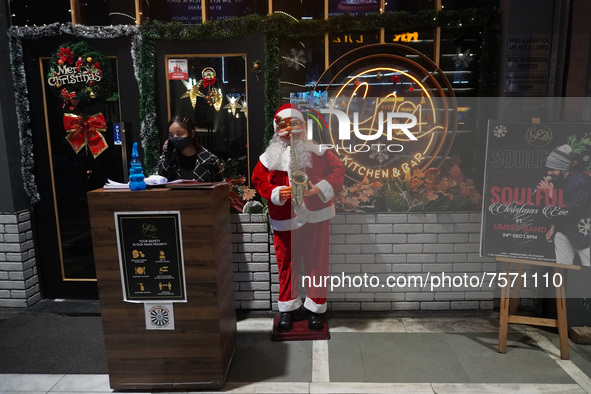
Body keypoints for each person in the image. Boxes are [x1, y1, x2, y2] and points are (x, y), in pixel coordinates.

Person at [251, 104, 345, 332]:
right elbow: (259, 180)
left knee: (318, 263)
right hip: (285, 216)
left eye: (295, 124)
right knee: (286, 264)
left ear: (304, 127)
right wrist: (275, 192)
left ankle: (315, 309)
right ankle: (289, 309)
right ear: (276, 129)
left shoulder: (319, 152)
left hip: (317, 214)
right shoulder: (268, 158)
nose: (290, 129)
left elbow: (338, 170)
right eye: (284, 125)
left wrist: (319, 188)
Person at [538, 144, 591, 267]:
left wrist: (550, 193)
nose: (549, 173)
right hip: (563, 231)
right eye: (549, 169)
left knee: (588, 267)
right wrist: (553, 228)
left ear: (562, 168)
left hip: (582, 233)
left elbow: (572, 209)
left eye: (552, 170)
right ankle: (561, 287)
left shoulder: (581, 181)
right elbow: (555, 209)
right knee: (561, 268)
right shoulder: (558, 180)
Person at [156, 115, 225, 182]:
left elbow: (221, 189)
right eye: (171, 135)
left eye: (179, 134)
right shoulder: (169, 157)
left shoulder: (210, 160)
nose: (175, 138)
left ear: (191, 134)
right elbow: (157, 181)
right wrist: (168, 158)